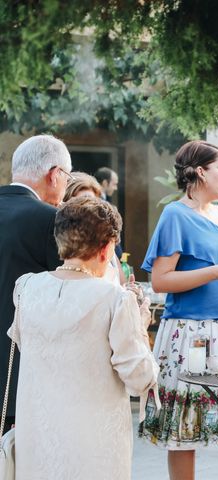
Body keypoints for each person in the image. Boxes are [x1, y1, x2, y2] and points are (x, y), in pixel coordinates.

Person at [138, 140, 218, 480]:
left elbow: (217, 268)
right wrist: (215, 272)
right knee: (184, 434)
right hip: (189, 332)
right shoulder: (174, 215)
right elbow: (161, 280)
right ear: (200, 172)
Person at [8, 196, 159, 479]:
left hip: (38, 437)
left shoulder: (26, 287)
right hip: (93, 447)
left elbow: (30, 348)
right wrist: (140, 325)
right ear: (106, 248)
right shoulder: (115, 299)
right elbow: (140, 377)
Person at [0, 134, 70, 435]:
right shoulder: (50, 219)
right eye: (67, 177)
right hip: (19, 372)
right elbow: (68, 293)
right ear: (54, 174)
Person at [63, 172, 124, 285]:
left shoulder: (105, 241)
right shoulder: (63, 246)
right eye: (81, 203)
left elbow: (121, 283)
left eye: (92, 203)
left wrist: (131, 293)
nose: (88, 210)